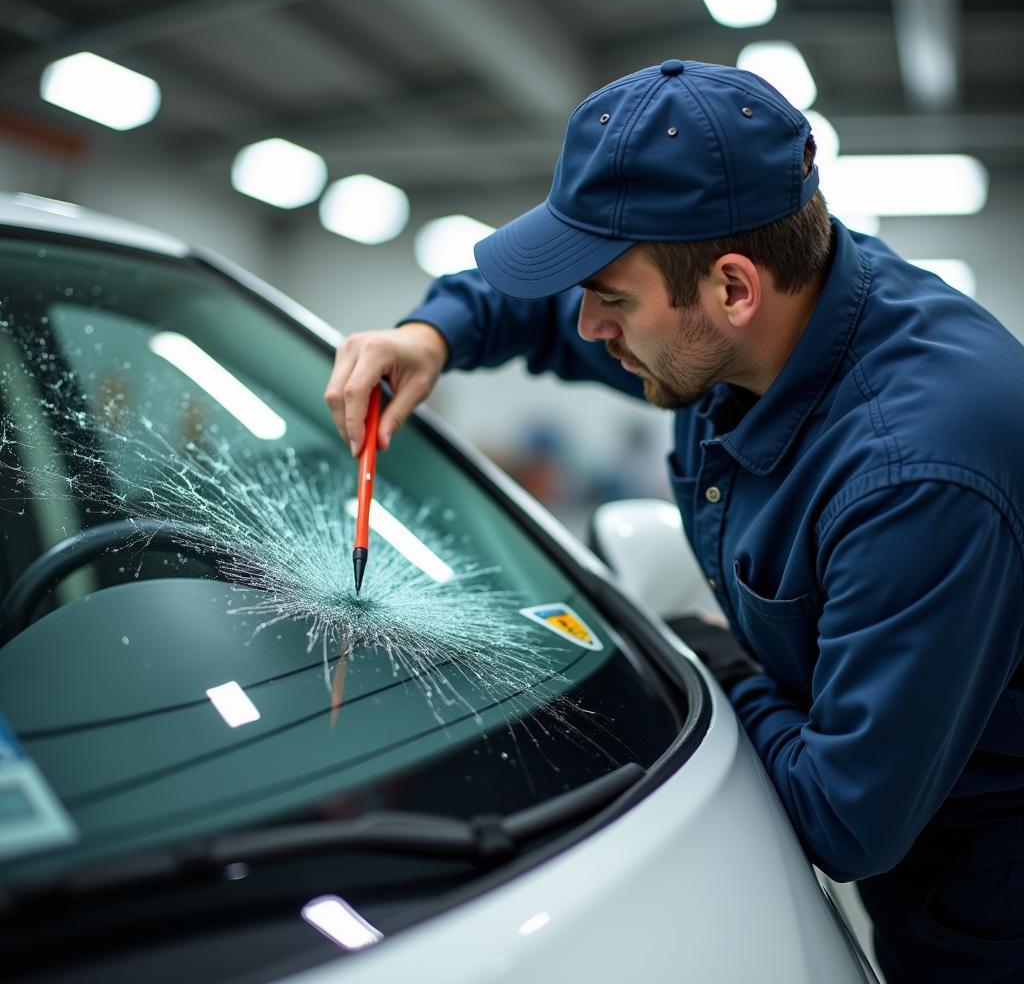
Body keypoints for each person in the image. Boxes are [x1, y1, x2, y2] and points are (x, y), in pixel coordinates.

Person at [325, 59, 1024, 982]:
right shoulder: (756, 316)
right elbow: (545, 315)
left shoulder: (914, 476)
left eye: (610, 298)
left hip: (988, 900)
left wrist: (707, 654)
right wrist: (433, 335)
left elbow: (846, 821)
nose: (587, 326)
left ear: (734, 289)